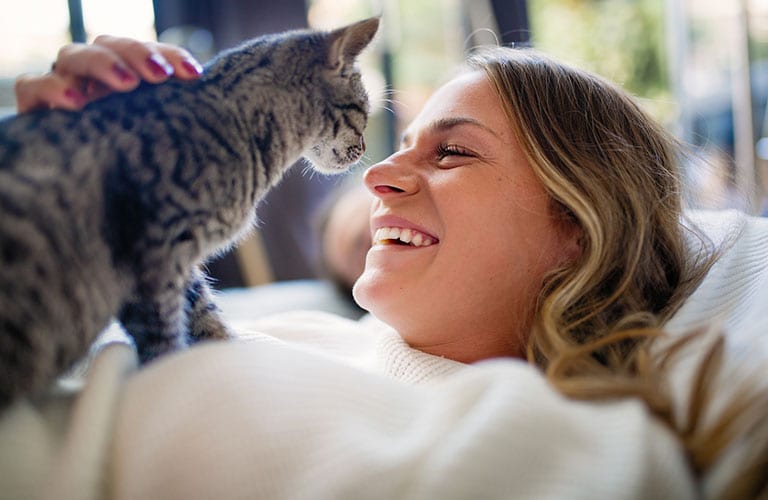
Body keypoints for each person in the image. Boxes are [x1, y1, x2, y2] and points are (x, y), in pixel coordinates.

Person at [3, 33, 767, 500]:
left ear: (578, 225)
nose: (376, 176)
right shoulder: (302, 336)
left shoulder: (578, 454)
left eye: (454, 151)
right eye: (399, 148)